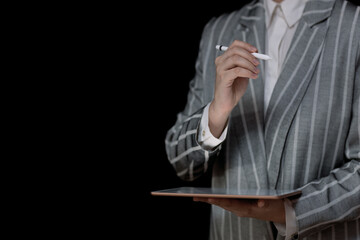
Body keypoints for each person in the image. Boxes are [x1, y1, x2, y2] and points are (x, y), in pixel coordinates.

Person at [165, 0, 359, 239]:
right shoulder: (218, 30)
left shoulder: (353, 26)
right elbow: (181, 162)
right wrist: (216, 113)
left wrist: (291, 211)